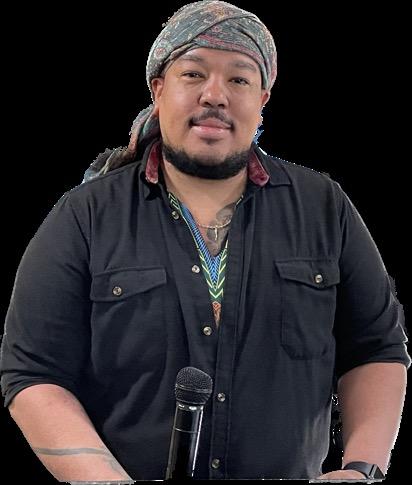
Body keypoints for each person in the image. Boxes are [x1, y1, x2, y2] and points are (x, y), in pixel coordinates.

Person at [0, 0, 410, 481]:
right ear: (159, 89)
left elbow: (376, 349)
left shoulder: (324, 208)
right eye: (193, 74)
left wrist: (361, 468)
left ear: (263, 99)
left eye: (239, 79)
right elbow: (34, 372)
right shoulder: (85, 216)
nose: (215, 95)